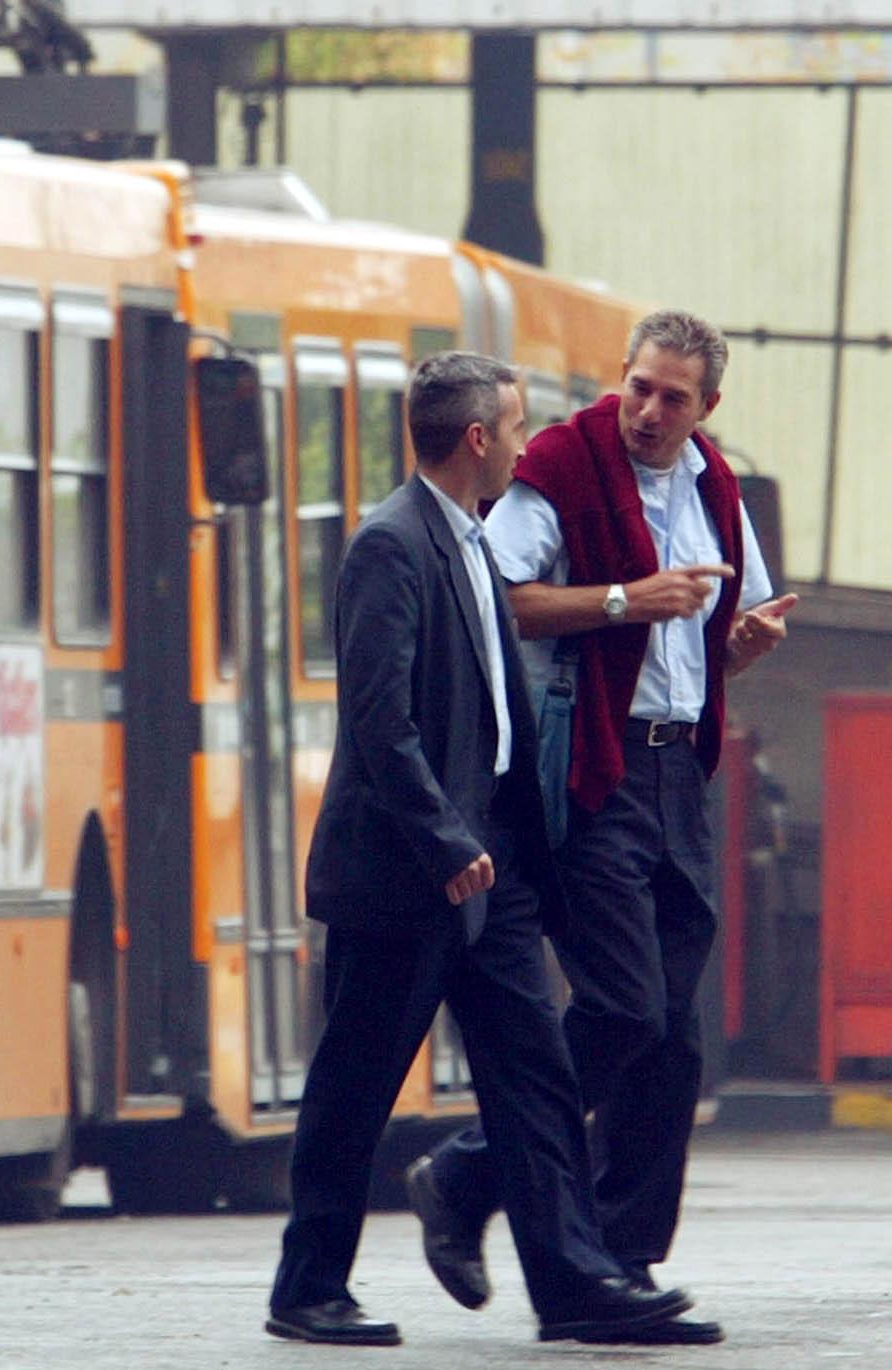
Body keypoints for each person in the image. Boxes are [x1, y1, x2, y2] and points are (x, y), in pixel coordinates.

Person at [266, 352, 694, 1346]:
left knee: (533, 1072)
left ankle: (574, 1281)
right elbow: (379, 723)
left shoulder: (467, 540)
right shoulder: (390, 544)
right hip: (408, 871)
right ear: (472, 440)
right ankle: (306, 1284)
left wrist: (503, 841)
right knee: (354, 1081)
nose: (517, 441)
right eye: (507, 427)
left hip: (490, 863)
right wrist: (441, 837)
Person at [408, 311, 795, 1347]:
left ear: (705, 407)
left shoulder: (712, 482)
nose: (646, 411)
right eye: (637, 387)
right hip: (594, 765)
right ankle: (472, 1170)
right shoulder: (560, 461)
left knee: (672, 1036)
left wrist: (744, 641)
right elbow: (498, 598)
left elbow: (724, 622)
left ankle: (617, 1260)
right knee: (621, 1005)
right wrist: (627, 599)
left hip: (681, 766)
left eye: (671, 397)